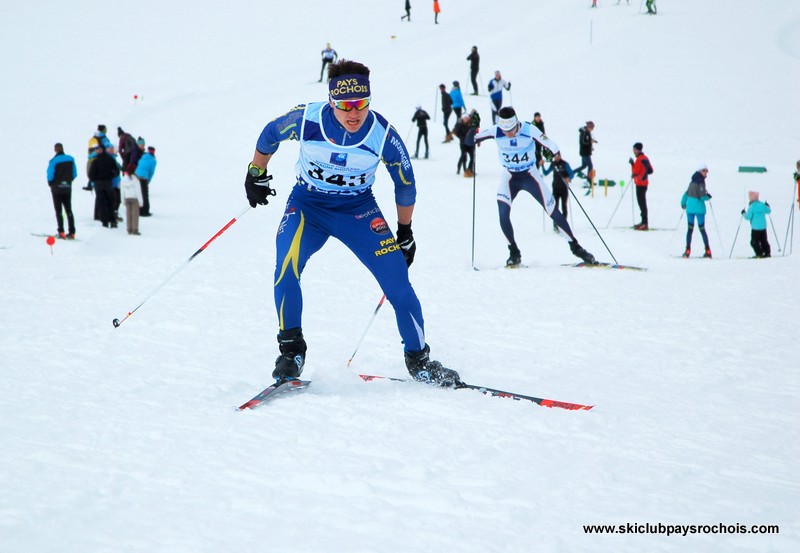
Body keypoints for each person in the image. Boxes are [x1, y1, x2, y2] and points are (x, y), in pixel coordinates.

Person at [244, 58, 460, 387]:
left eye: (361, 104)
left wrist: (405, 231)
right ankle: (291, 352)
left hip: (358, 211)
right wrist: (255, 173)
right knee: (286, 265)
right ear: (332, 102)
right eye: (345, 105)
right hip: (308, 206)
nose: (354, 113)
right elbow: (270, 134)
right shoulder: (306, 120)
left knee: (398, 282)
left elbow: (405, 183)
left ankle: (419, 360)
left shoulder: (382, 133)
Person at [467, 106, 596, 266]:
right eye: (505, 130)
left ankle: (576, 248)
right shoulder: (496, 130)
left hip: (530, 176)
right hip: (510, 177)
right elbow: (469, 141)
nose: (508, 133)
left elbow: (553, 146)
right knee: (503, 214)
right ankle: (514, 252)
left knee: (553, 212)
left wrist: (550, 153)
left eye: (511, 129)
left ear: (517, 124)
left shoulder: (529, 129)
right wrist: (473, 128)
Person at [46, 143, 78, 239]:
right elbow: (75, 173)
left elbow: (50, 175)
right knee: (69, 210)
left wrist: (51, 183)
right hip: (67, 187)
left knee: (58, 210)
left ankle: (61, 231)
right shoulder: (71, 159)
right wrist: (69, 180)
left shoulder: (53, 161)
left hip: (56, 189)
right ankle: (72, 232)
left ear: (55, 150)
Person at [680, 164, 712, 258]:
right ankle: (708, 250)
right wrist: (708, 197)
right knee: (702, 229)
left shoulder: (692, 181)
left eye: (706, 171)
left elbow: (686, 193)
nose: (706, 173)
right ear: (700, 171)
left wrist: (683, 203)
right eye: (704, 171)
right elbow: (702, 196)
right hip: (699, 210)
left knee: (690, 230)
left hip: (690, 209)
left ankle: (687, 250)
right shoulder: (701, 182)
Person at [88, 144, 120, 228]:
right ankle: (112, 220)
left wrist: (94, 179)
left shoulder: (95, 161)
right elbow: (117, 171)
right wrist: (111, 175)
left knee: (102, 202)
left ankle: (105, 222)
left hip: (99, 184)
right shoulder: (110, 159)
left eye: (98, 149)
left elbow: (91, 174)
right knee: (110, 201)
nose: (97, 151)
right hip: (108, 183)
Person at [542, 151, 573, 232]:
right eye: (554, 156)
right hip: (555, 189)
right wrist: (542, 165)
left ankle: (564, 225)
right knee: (555, 208)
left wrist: (568, 178)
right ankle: (555, 226)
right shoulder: (553, 164)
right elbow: (545, 173)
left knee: (564, 207)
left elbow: (571, 173)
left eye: (557, 156)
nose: (556, 158)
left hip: (564, 189)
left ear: (560, 155)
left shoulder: (565, 164)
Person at [629, 142, 654, 230]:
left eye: (634, 149)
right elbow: (651, 170)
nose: (633, 151)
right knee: (642, 203)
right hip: (644, 183)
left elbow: (635, 172)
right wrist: (643, 173)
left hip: (640, 184)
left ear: (637, 150)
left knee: (642, 204)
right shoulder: (645, 158)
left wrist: (632, 164)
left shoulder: (639, 159)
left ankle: (645, 223)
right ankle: (643, 222)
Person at [84, 124, 113, 191]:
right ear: (104, 130)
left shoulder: (94, 137)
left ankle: (90, 184)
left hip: (92, 157)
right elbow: (108, 145)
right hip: (100, 157)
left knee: (92, 170)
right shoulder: (103, 138)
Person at [742, 191, 771, 258]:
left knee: (754, 242)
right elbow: (769, 211)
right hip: (763, 227)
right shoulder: (762, 205)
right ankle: (767, 253)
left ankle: (759, 253)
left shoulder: (751, 207)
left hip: (755, 228)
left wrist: (743, 213)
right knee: (764, 241)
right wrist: (767, 206)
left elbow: (747, 217)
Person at [135, 145, 157, 216]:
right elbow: (151, 172)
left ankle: (139, 210)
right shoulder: (153, 160)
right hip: (144, 178)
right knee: (145, 195)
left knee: (139, 194)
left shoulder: (142, 158)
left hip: (137, 176)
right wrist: (148, 181)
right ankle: (145, 211)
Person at [453, 113, 474, 177]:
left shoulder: (471, 124)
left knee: (472, 157)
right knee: (463, 157)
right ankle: (461, 169)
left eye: (467, 118)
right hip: (463, 144)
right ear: (462, 119)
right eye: (465, 118)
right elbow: (456, 133)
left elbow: (474, 132)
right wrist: (462, 138)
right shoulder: (459, 125)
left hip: (470, 143)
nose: (466, 119)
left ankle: (469, 169)